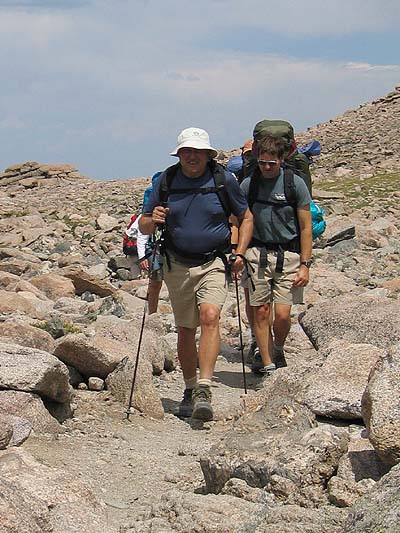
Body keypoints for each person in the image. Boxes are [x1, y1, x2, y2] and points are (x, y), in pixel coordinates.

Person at [140, 127, 253, 421]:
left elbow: (246, 216)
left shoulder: (222, 179)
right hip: (176, 264)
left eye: (198, 152)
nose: (192, 157)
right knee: (186, 330)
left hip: (213, 262)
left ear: (207, 154)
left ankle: (204, 386)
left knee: (210, 315)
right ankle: (189, 389)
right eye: (187, 152)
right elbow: (143, 225)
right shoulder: (165, 181)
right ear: (179, 155)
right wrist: (153, 219)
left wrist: (239, 251)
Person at [240, 135, 312, 387]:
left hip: (289, 256)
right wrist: (237, 252)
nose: (267, 168)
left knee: (282, 314)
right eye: (262, 163)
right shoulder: (250, 185)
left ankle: (277, 347)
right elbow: (238, 220)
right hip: (257, 254)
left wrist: (306, 264)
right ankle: (268, 364)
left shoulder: (295, 184)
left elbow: (305, 226)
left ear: (281, 159)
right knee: (260, 310)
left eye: (272, 163)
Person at [137, 172, 163, 314]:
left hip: (158, 249)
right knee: (155, 283)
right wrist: (142, 256)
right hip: (155, 249)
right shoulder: (150, 210)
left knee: (155, 284)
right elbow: (143, 232)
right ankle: (152, 313)